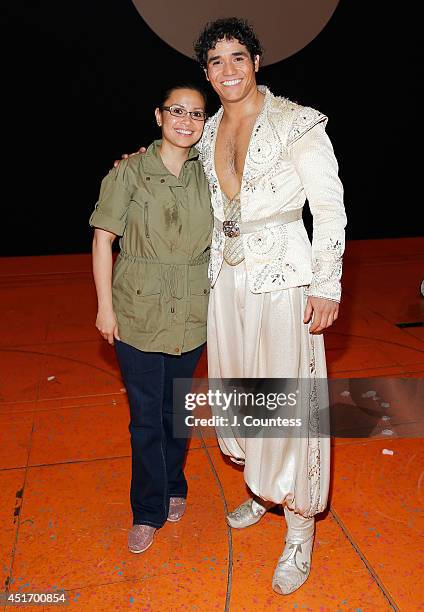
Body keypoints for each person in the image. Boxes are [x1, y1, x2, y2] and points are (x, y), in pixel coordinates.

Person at [192, 18, 346, 595]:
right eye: (215, 62)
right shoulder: (206, 133)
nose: (228, 71)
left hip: (284, 278)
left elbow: (329, 208)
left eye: (238, 57)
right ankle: (264, 489)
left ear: (257, 60)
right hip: (226, 279)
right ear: (205, 73)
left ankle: (300, 527)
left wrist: (326, 283)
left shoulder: (297, 123)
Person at [90, 85, 212, 554]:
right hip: (137, 308)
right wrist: (105, 307)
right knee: (145, 418)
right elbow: (104, 239)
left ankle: (175, 483)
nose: (186, 121)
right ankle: (147, 510)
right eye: (177, 111)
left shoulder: (211, 174)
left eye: (197, 114)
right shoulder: (129, 172)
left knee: (176, 411)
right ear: (159, 115)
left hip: (192, 310)